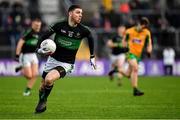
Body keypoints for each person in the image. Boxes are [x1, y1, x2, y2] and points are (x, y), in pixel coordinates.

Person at [34, 5, 96, 113]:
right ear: (70, 13)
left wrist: (92, 56)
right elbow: (44, 36)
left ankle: (43, 100)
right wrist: (38, 49)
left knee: (49, 79)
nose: (80, 15)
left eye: (81, 13)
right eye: (77, 12)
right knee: (42, 86)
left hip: (66, 63)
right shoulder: (59, 25)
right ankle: (41, 100)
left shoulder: (83, 30)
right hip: (52, 60)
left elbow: (90, 38)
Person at [119, 17, 152, 96]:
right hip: (129, 53)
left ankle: (117, 69)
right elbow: (123, 41)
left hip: (138, 55)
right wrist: (124, 48)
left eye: (145, 27)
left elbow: (149, 44)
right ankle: (135, 90)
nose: (143, 28)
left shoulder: (146, 33)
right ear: (139, 24)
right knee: (135, 68)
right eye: (143, 26)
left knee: (127, 74)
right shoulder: (129, 31)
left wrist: (149, 50)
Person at [15, 18, 42, 96]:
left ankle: (27, 91)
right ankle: (21, 67)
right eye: (36, 25)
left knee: (35, 74)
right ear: (32, 24)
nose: (38, 27)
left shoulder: (39, 33)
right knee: (29, 76)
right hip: (25, 55)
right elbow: (20, 42)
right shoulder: (28, 32)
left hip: (33, 55)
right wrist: (17, 54)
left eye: (39, 25)